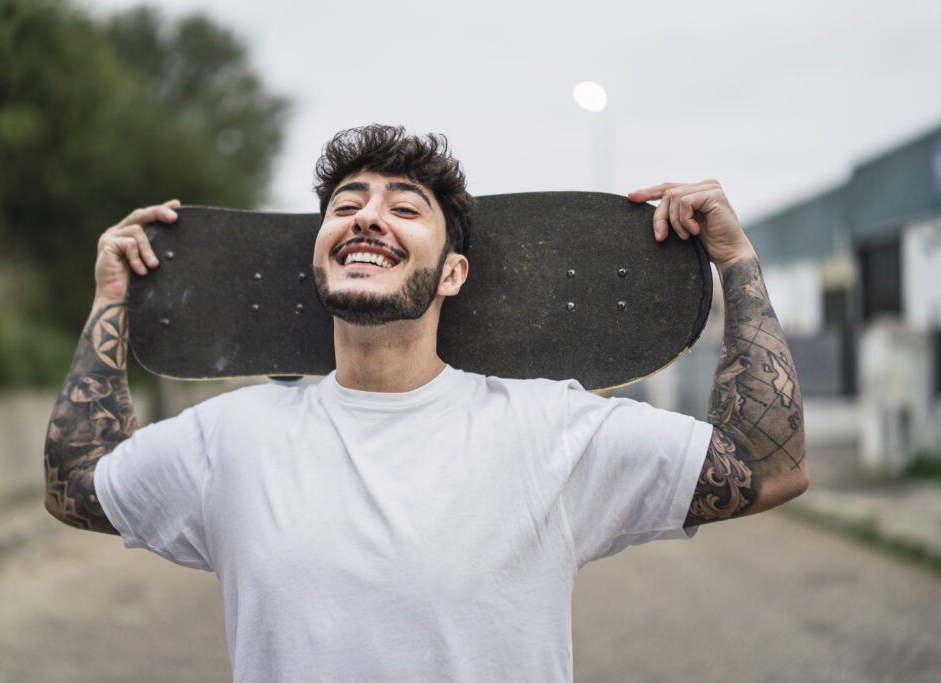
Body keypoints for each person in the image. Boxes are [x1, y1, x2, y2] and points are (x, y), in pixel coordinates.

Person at [44, 124, 808, 681]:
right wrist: (111, 300)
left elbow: (764, 466)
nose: (367, 217)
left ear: (451, 274)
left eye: (404, 208)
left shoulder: (547, 427)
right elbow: (75, 483)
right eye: (346, 205)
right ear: (319, 253)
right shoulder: (232, 435)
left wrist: (736, 261)